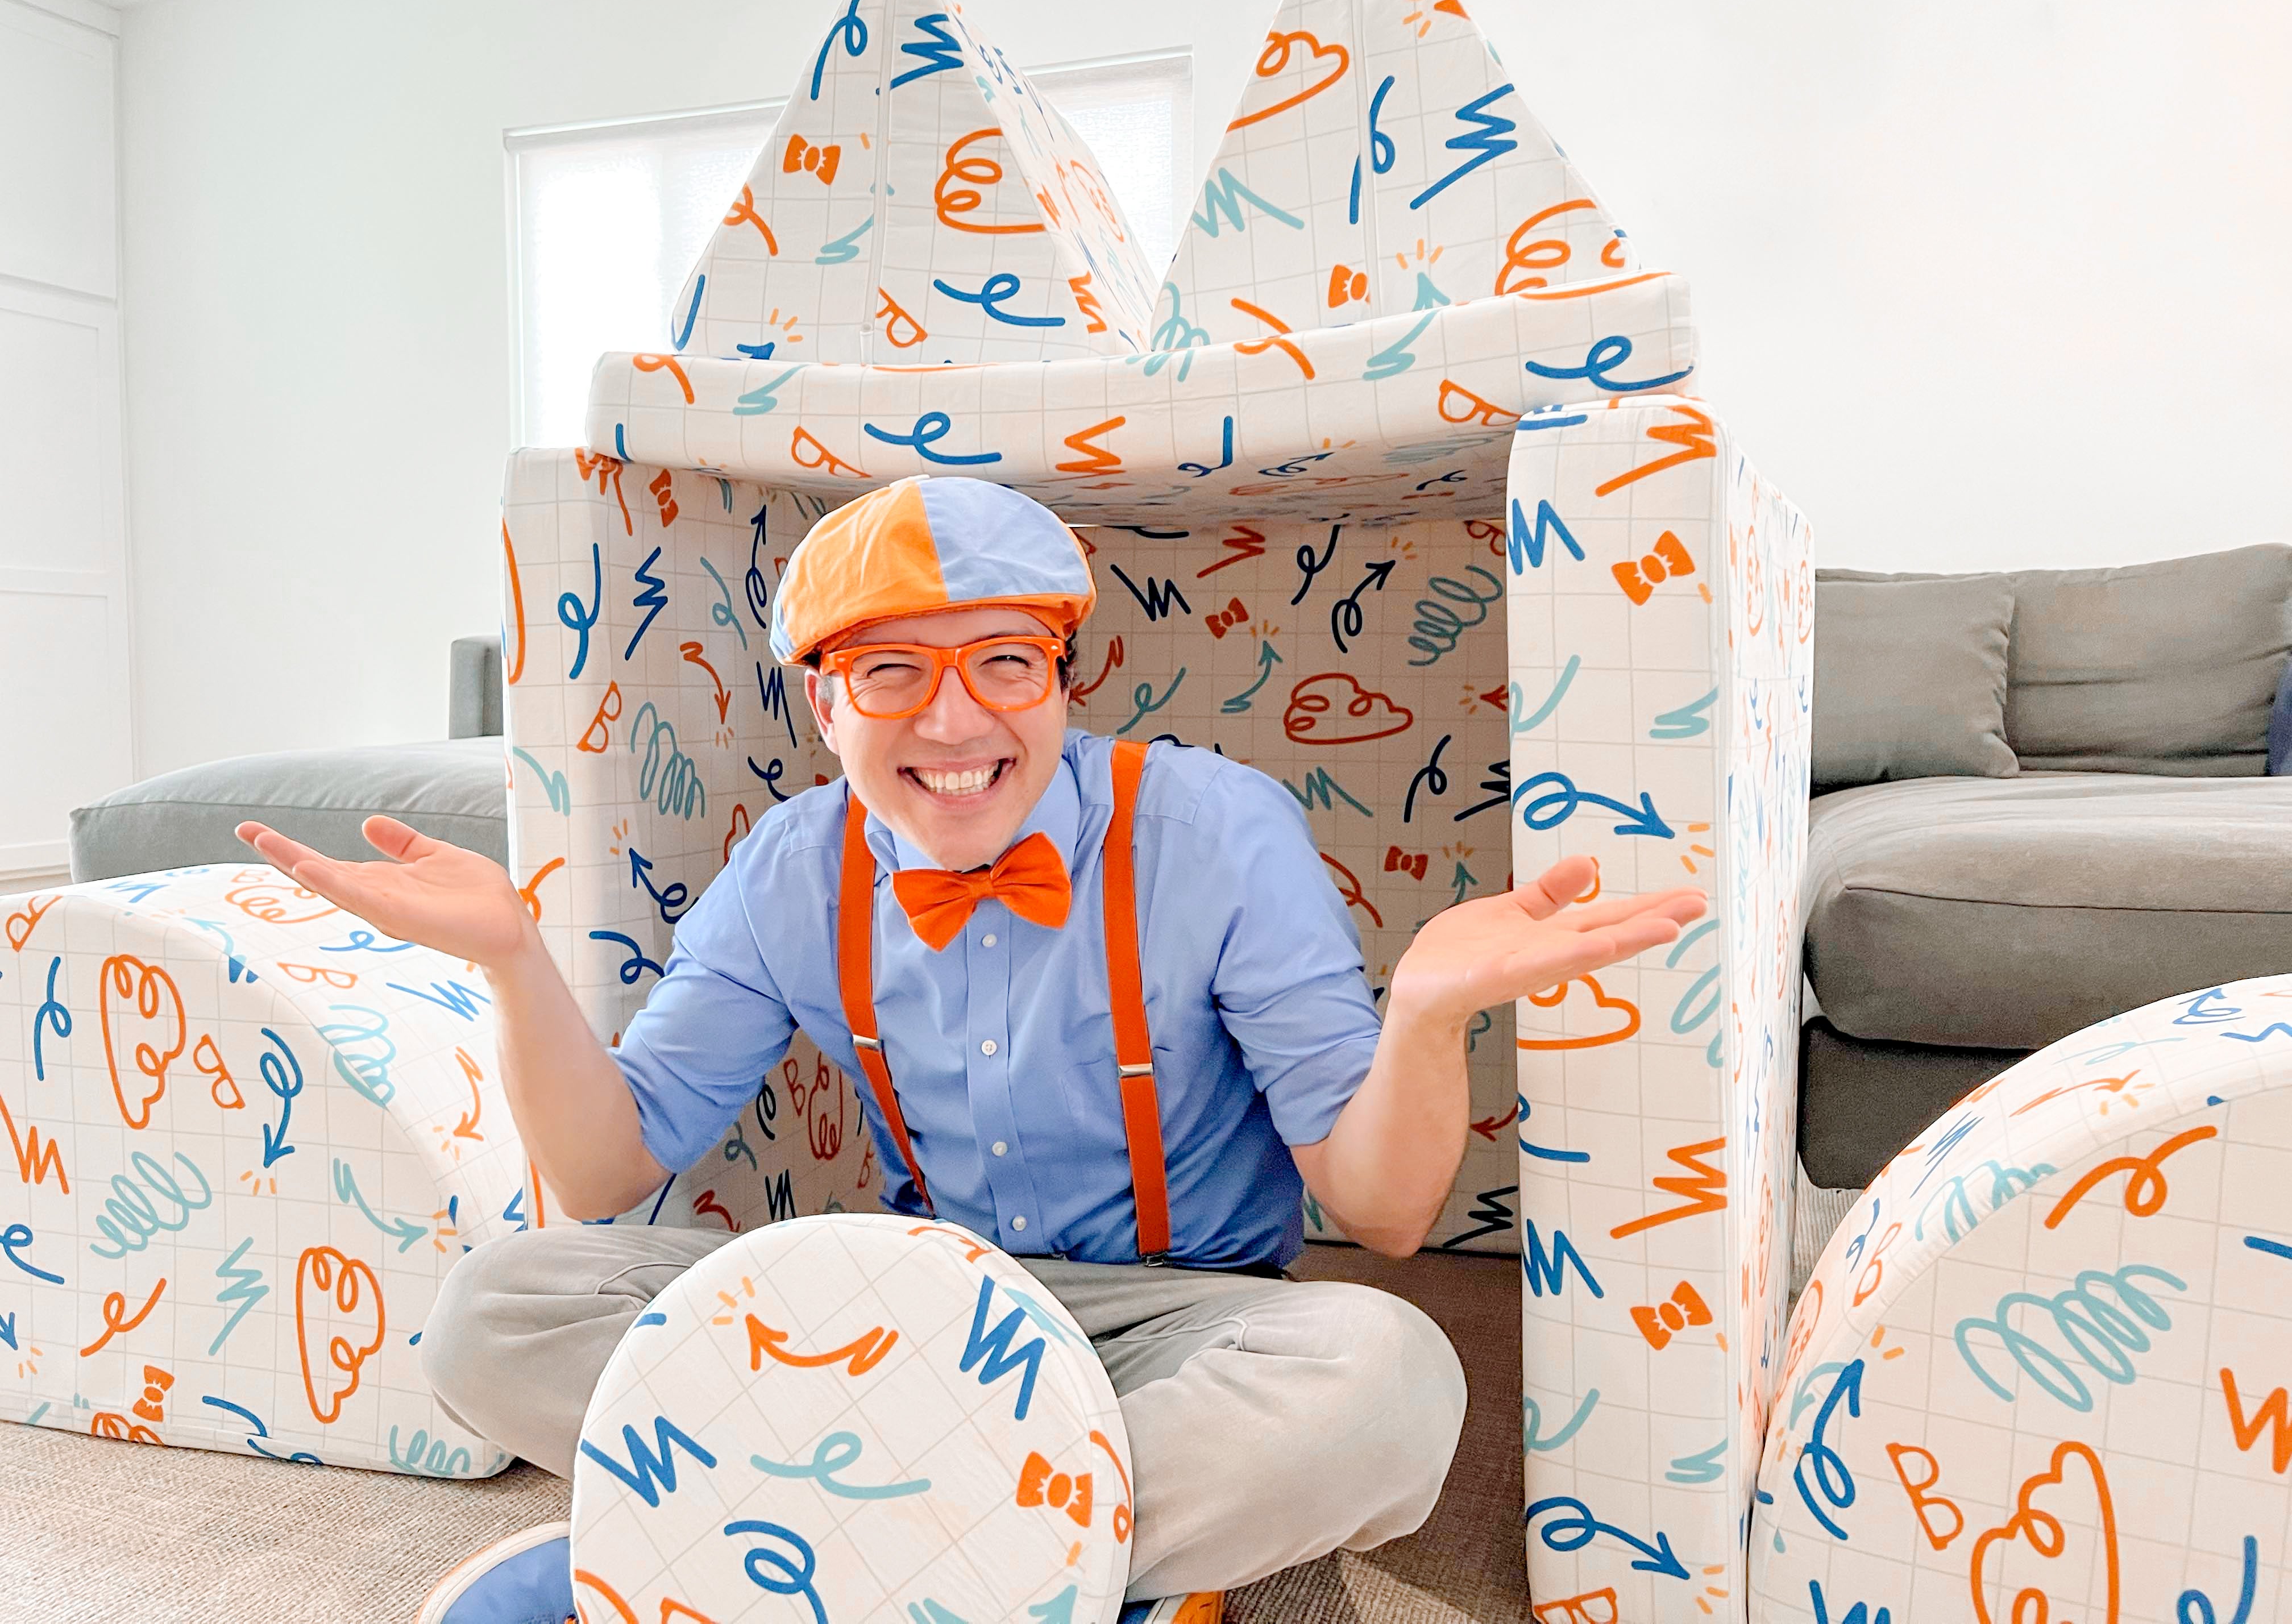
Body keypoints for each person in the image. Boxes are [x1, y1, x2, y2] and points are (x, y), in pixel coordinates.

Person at [237, 476, 1704, 1623]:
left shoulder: (1217, 830)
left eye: (1004, 662)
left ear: (1063, 679)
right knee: (499, 1309)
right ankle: (1018, 1564)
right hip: (908, 1309)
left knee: (1384, 1383)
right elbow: (609, 1167)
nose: (953, 719)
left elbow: (1382, 1215)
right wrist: (511, 958)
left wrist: (1430, 1012)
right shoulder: (786, 871)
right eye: (889, 675)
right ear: (824, 705)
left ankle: (769, 1539)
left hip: (1182, 1322)